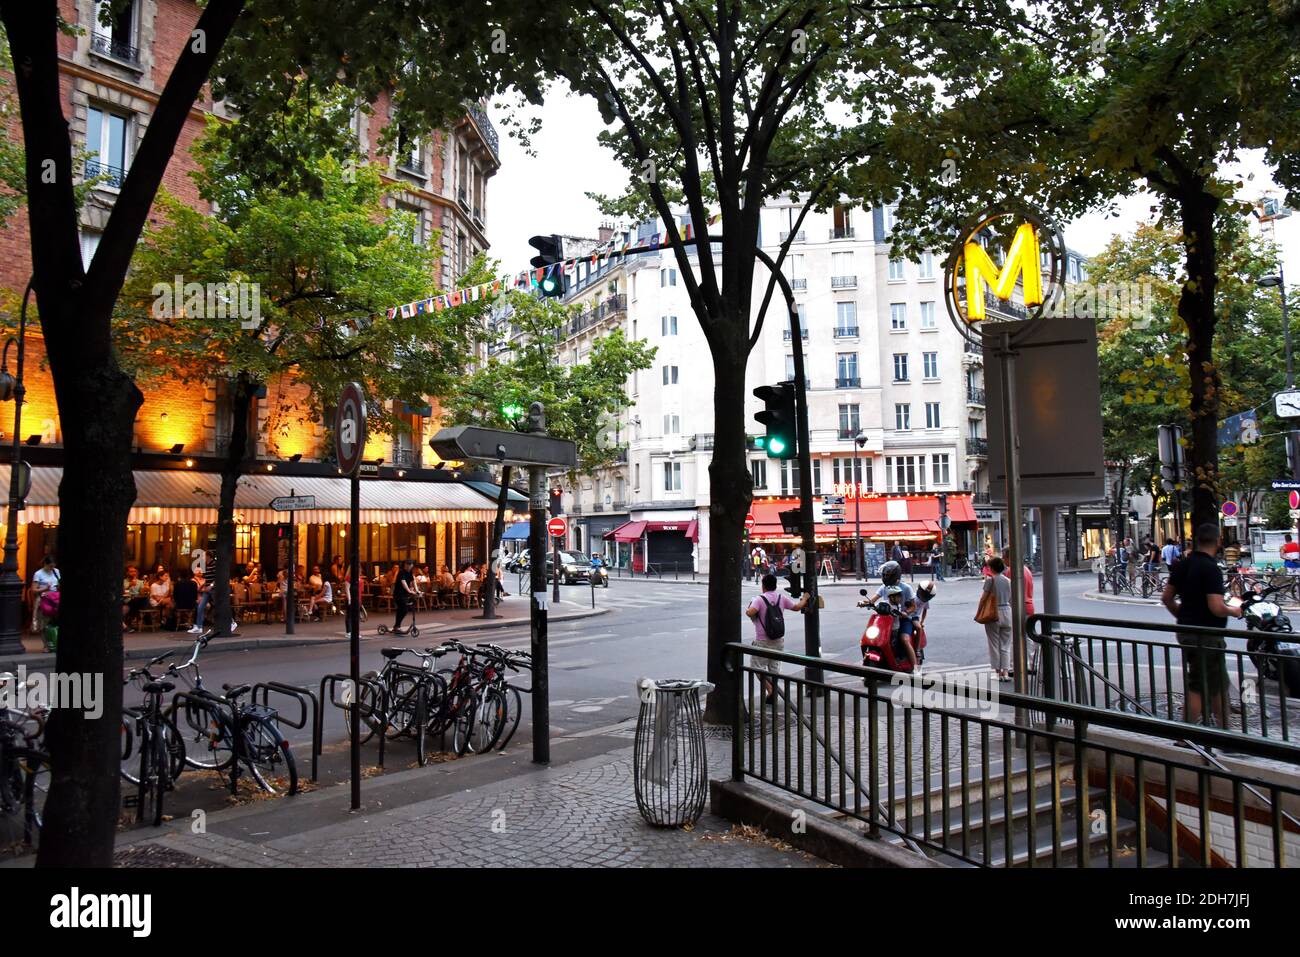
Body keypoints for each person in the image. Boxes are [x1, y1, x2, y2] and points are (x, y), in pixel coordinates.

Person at [1162, 523, 1243, 728]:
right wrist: (1234, 610)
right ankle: (1185, 737)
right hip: (1207, 634)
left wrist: (1183, 615)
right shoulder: (1211, 569)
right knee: (1198, 685)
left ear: (1196, 541)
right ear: (1218, 542)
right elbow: (1216, 606)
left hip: (1188, 630)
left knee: (1218, 683)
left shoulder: (1182, 565)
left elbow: (1167, 598)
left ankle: (1225, 730)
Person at [744, 573, 810, 702]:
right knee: (774, 668)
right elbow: (796, 607)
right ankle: (772, 692)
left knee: (756, 667)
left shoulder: (759, 599)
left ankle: (771, 690)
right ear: (775, 585)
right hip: (778, 640)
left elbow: (751, 612)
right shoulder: (781, 598)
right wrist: (805, 598)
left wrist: (748, 610)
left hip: (762, 640)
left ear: (763, 586)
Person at [982, 556, 1013, 680]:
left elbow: (984, 598)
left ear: (992, 568)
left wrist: (980, 610)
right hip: (1007, 611)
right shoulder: (1008, 581)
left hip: (993, 612)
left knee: (994, 643)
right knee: (1005, 644)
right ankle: (1006, 672)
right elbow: (1011, 598)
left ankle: (998, 672)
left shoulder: (990, 580)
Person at [30, 555, 59, 634]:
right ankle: (46, 644)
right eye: (50, 566)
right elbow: (33, 590)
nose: (52, 568)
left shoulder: (56, 571)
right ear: (45, 564)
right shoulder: (38, 574)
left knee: (54, 621)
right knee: (44, 622)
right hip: (44, 598)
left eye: (53, 566)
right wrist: (45, 589)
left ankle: (52, 642)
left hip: (55, 598)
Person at [392, 559, 418, 632]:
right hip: (398, 594)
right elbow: (403, 582)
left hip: (404, 594)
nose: (409, 566)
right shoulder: (401, 572)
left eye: (410, 564)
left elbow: (413, 581)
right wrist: (409, 590)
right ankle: (397, 626)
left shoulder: (410, 573)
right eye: (407, 564)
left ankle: (396, 626)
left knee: (402, 610)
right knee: (403, 609)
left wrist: (417, 590)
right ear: (405, 565)